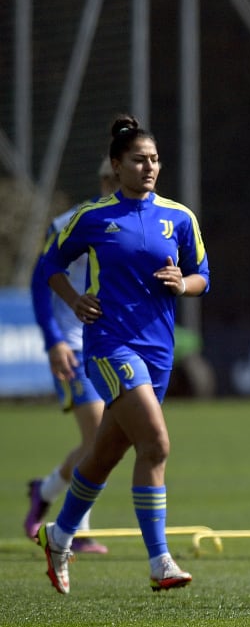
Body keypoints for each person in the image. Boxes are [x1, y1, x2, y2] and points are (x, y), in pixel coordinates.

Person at [35, 115, 210, 594]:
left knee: (106, 454)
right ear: (117, 164)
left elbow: (202, 275)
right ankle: (160, 561)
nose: (149, 167)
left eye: (154, 159)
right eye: (139, 159)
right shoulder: (93, 217)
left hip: (159, 351)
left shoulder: (179, 217)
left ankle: (60, 535)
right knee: (156, 443)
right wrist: (73, 301)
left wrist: (183, 284)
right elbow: (49, 264)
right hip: (110, 345)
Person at [24, 158, 119, 555]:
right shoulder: (71, 223)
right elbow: (40, 280)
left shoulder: (146, 222)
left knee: (109, 439)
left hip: (114, 343)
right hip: (74, 343)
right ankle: (76, 529)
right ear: (105, 179)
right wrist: (53, 341)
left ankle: (44, 489)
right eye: (115, 177)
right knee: (97, 436)